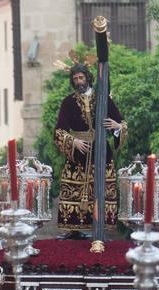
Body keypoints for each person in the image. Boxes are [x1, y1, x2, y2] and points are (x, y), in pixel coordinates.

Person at [53, 60, 125, 232]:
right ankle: (75, 230)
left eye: (81, 77)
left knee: (100, 190)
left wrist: (118, 127)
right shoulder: (68, 102)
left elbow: (121, 122)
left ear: (88, 78)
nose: (79, 82)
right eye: (75, 79)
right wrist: (73, 141)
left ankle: (100, 229)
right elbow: (59, 131)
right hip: (78, 154)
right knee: (76, 190)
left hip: (101, 152)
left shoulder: (103, 99)